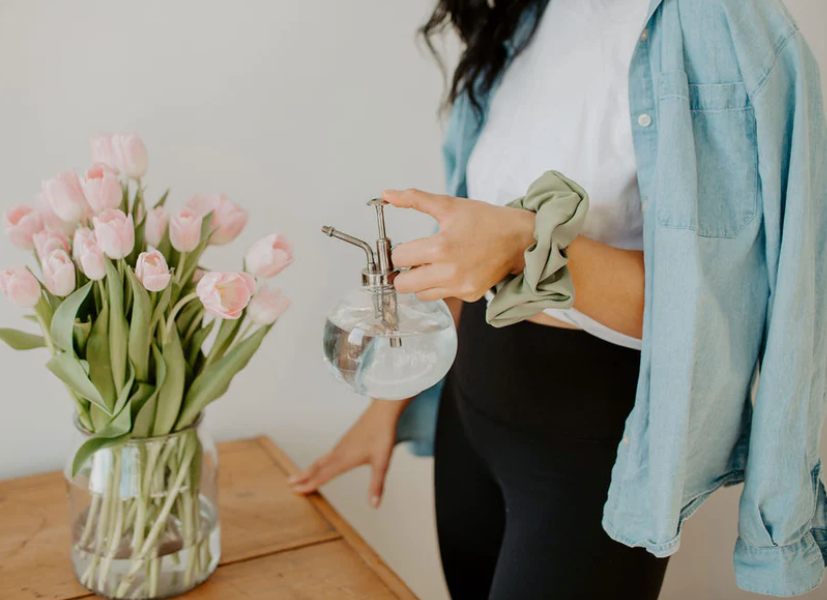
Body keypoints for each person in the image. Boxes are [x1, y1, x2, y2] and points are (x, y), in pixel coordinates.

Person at [289, 0, 827, 598]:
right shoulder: (522, 16)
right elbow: (473, 241)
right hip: (468, 416)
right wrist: (386, 404)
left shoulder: (723, 23)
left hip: (594, 448)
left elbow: (739, 302)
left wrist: (530, 246)